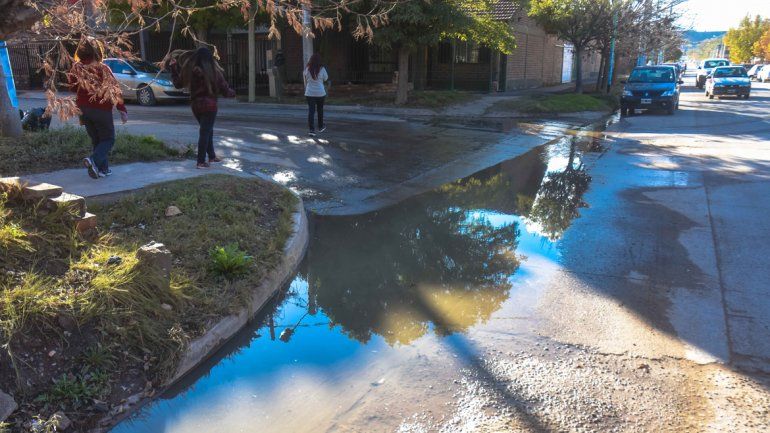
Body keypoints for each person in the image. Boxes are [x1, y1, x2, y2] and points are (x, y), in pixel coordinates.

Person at [69, 38, 128, 179]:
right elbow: (114, 89)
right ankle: (93, 160)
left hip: (83, 108)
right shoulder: (103, 68)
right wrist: (122, 109)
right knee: (108, 139)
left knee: (97, 140)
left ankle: (102, 170)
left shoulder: (76, 68)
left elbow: (72, 87)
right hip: (101, 108)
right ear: (98, 51)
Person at [167, 47, 235, 169]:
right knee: (205, 132)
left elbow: (177, 84)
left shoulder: (190, 71)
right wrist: (232, 93)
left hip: (196, 106)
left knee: (208, 130)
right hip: (210, 106)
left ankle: (212, 156)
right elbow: (225, 90)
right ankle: (201, 161)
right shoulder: (214, 71)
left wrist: (173, 68)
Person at [303, 53, 328, 137]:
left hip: (309, 93)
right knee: (320, 110)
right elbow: (326, 78)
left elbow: (305, 80)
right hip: (320, 93)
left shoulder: (307, 69)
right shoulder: (322, 69)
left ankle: (311, 130)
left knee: (311, 111)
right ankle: (320, 127)